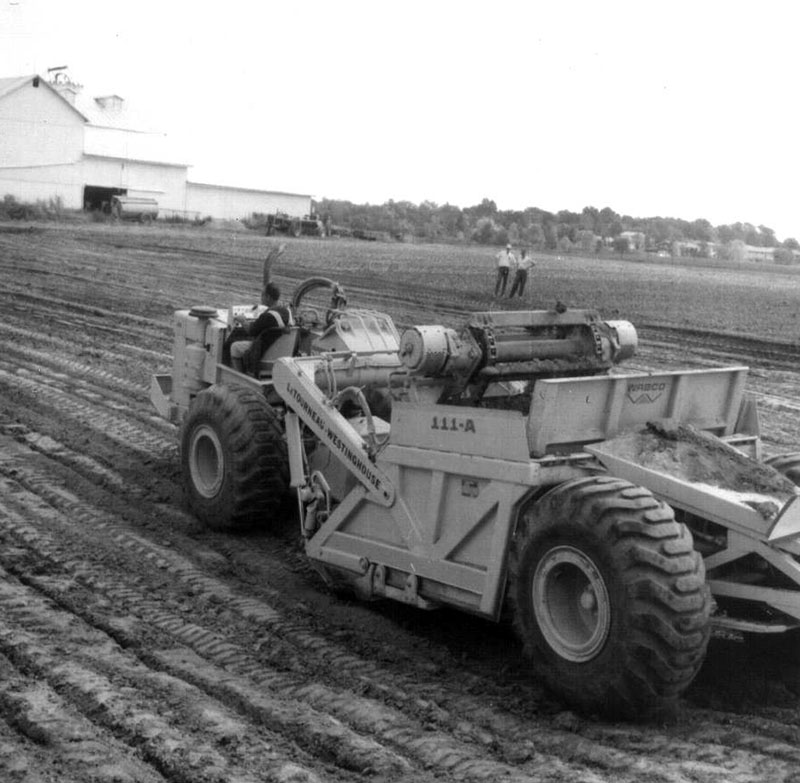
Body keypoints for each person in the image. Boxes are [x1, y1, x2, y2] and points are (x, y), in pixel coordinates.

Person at [229, 282, 294, 374]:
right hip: (282, 353)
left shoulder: (267, 316)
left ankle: (242, 377)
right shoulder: (288, 312)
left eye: (262, 295)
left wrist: (243, 320)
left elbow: (251, 331)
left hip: (266, 352)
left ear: (267, 297)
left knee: (234, 347)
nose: (261, 297)